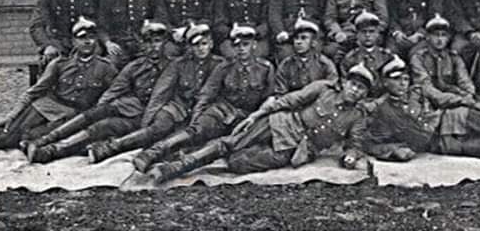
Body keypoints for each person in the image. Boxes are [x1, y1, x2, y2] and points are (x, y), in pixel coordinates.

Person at [147, 63, 374, 184]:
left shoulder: (357, 116)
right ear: (345, 83)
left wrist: (351, 155)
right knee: (230, 143)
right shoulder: (323, 88)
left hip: (294, 149)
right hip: (280, 123)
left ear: (364, 94)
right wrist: (256, 115)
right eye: (353, 84)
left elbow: (355, 144)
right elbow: (288, 100)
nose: (355, 91)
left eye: (361, 89)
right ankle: (175, 167)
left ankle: (196, 154)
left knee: (238, 163)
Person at [132, 23, 275, 173]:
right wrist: (196, 121)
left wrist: (255, 118)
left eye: (245, 44)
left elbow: (269, 98)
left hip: (246, 117)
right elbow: (206, 95)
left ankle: (177, 166)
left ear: (254, 45)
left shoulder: (266, 68)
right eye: (237, 45)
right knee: (195, 132)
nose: (241, 49)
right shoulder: (224, 67)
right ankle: (153, 152)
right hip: (221, 112)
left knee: (226, 144)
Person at [24, 21, 170, 163]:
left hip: (153, 119)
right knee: (96, 114)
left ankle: (52, 151)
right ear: (142, 45)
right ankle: (44, 141)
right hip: (133, 111)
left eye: (157, 41)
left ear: (165, 43)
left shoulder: (173, 66)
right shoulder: (134, 67)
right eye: (148, 42)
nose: (153, 46)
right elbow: (114, 90)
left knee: (104, 126)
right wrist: (99, 110)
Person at [86, 22, 224, 163]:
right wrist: (146, 123)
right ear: (189, 47)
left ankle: (150, 156)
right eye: (196, 45)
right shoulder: (178, 64)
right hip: (176, 109)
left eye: (204, 44)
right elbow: (160, 94)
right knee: (158, 128)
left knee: (190, 137)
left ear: (211, 44)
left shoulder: (220, 65)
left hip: (203, 112)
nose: (200, 48)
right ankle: (110, 148)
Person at [0, 18, 117, 150]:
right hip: (47, 108)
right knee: (4, 139)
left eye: (91, 38)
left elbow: (114, 94)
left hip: (73, 116)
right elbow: (33, 92)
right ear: (74, 41)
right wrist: (13, 115)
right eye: (82, 38)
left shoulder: (106, 67)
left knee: (38, 138)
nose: (87, 42)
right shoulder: (59, 64)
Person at [274, 18, 338, 95]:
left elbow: (332, 90)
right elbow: (280, 93)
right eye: (296, 38)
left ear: (313, 43)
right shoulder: (286, 65)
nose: (298, 42)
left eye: (303, 38)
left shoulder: (324, 64)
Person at [340, 10, 393, 95]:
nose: (367, 35)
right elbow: (345, 85)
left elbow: (393, 86)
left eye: (371, 31)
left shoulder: (387, 57)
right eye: (363, 32)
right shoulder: (350, 58)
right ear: (357, 34)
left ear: (377, 34)